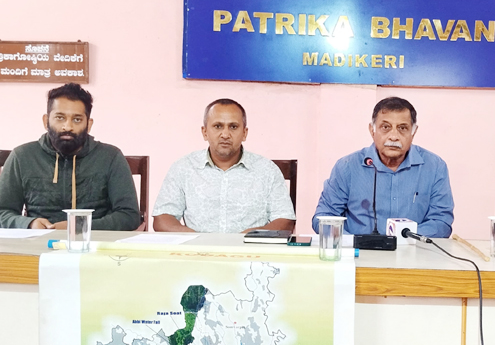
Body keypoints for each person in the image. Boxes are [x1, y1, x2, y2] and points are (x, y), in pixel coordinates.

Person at [0, 83, 140, 230]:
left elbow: (129, 216)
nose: (67, 127)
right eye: (60, 118)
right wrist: (29, 224)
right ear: (46, 121)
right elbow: (2, 212)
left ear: (89, 124)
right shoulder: (22, 157)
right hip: (37, 240)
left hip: (94, 241)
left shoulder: (111, 157)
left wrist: (79, 227)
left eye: (77, 119)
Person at [312, 96, 454, 237]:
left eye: (402, 128)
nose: (394, 136)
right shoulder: (347, 167)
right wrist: (354, 242)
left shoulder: (434, 167)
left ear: (413, 132)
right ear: (372, 130)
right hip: (358, 249)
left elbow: (441, 222)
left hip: (412, 249)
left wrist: (404, 239)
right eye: (385, 127)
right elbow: (323, 218)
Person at [152, 98, 295, 233]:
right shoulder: (184, 168)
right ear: (205, 132)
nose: (225, 134)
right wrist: (196, 239)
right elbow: (162, 218)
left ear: (244, 133)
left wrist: (250, 238)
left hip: (250, 248)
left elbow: (285, 220)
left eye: (233, 127)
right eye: (218, 126)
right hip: (197, 249)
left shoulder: (267, 170)